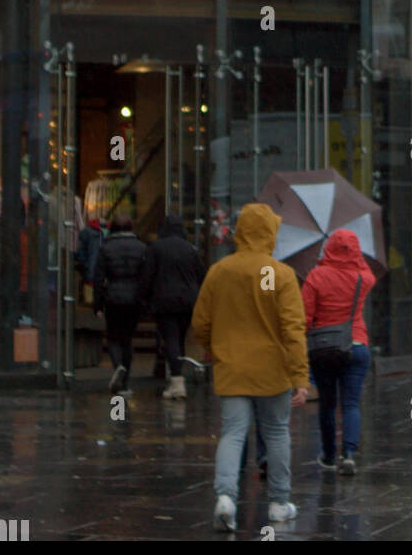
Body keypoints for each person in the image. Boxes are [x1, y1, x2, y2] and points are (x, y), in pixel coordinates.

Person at [191, 203, 309, 531]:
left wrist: (215, 349)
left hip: (232, 368)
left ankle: (226, 498)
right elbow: (292, 329)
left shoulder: (220, 271)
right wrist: (300, 376)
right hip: (274, 371)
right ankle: (278, 503)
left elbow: (201, 321)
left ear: (240, 232)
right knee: (276, 433)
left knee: (232, 433)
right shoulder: (280, 274)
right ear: (270, 233)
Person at [301, 228, 375, 475]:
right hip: (357, 345)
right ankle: (350, 454)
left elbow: (305, 316)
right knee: (351, 403)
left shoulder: (316, 276)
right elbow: (366, 271)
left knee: (328, 404)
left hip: (325, 348)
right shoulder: (363, 278)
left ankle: (330, 456)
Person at [138, 214, 205, 400]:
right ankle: (177, 376)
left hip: (164, 300)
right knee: (179, 339)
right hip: (188, 301)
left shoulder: (156, 248)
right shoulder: (190, 249)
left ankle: (176, 381)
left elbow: (147, 277)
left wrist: (143, 299)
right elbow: (201, 275)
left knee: (170, 339)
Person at [93, 211, 147, 395]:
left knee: (114, 337)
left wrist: (97, 304)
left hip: (114, 296)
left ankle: (118, 367)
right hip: (134, 298)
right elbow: (145, 276)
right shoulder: (141, 247)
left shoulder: (106, 248)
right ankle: (125, 381)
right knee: (127, 339)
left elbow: (99, 278)